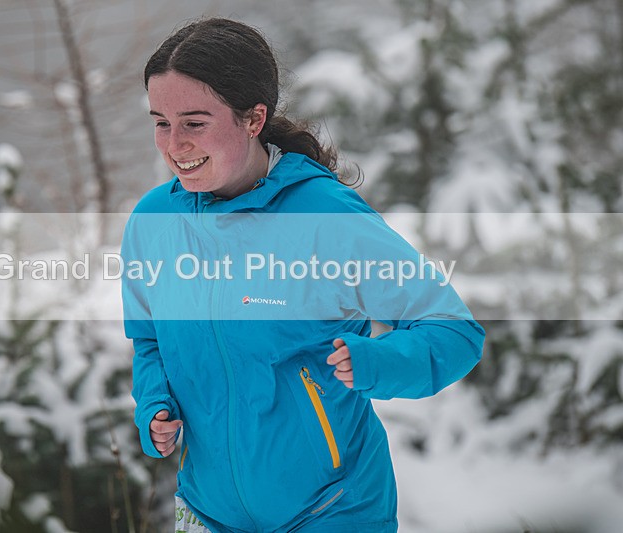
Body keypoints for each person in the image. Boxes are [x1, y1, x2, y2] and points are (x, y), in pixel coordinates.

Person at [121, 17, 485, 533]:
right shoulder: (154, 223)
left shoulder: (323, 219)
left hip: (333, 509)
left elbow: (454, 331)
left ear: (253, 119)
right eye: (161, 122)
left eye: (194, 123)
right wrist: (154, 402)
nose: (174, 145)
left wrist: (376, 362)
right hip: (208, 512)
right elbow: (149, 340)